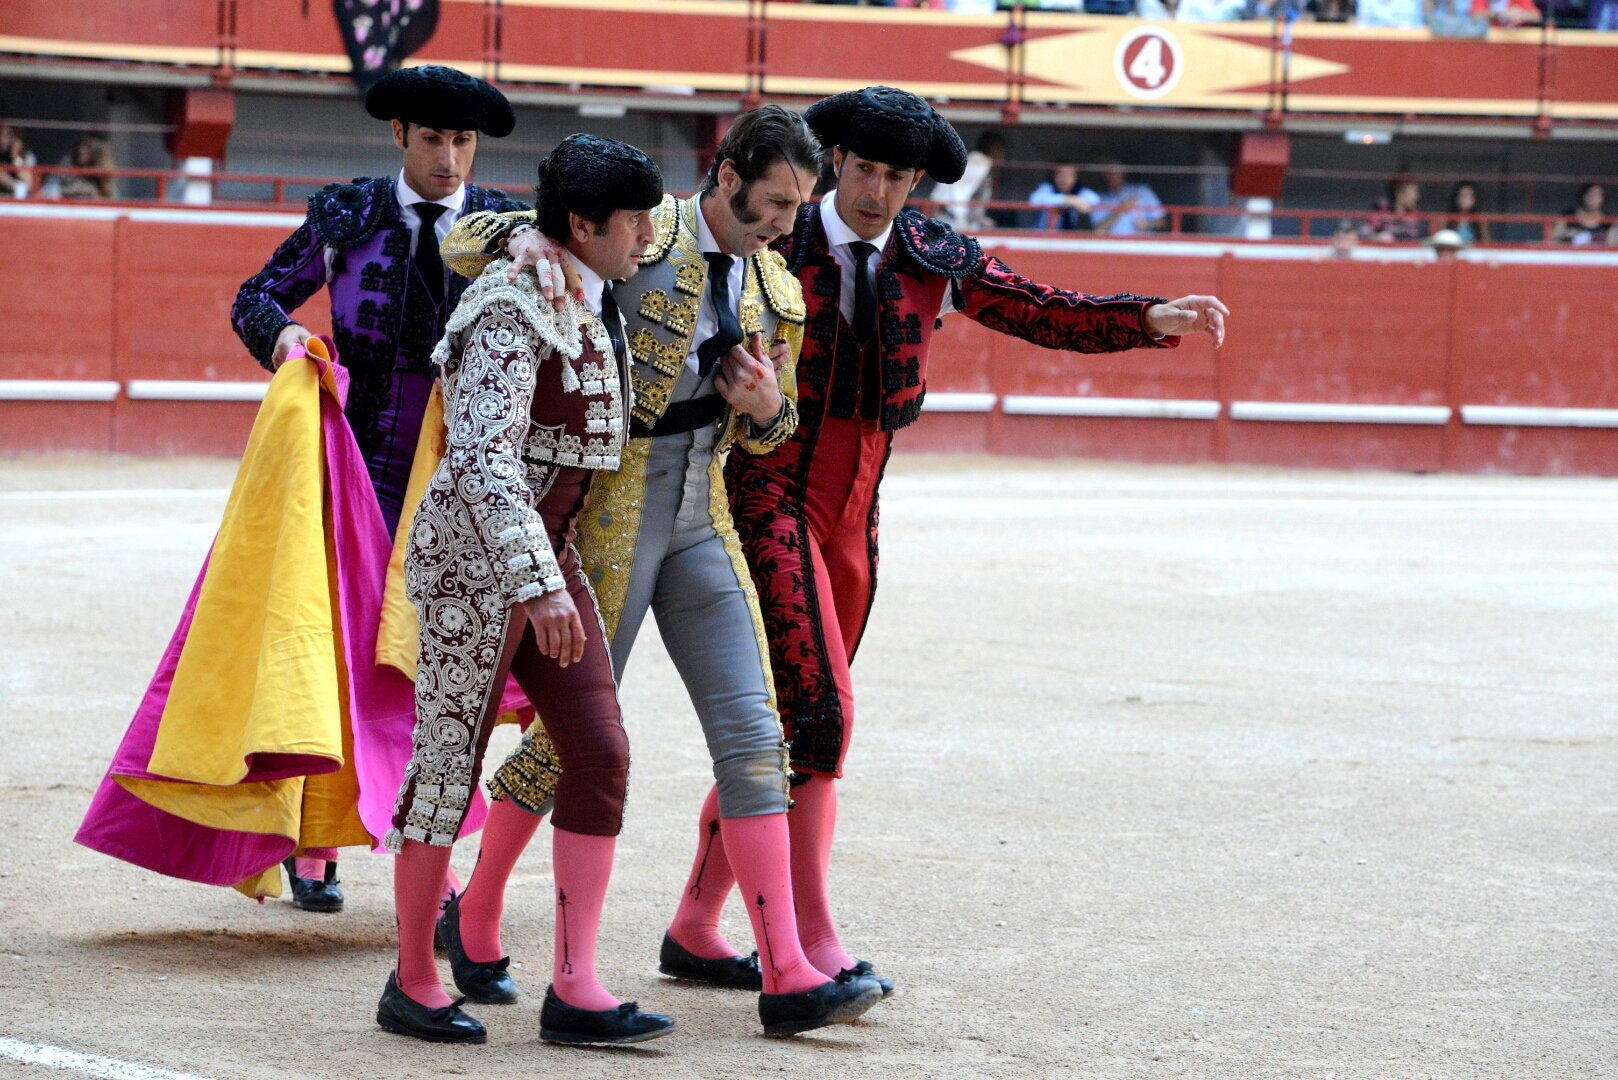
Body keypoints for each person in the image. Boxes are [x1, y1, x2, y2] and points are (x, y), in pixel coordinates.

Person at [491, 84, 1227, 1001]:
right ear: (837, 162)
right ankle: (807, 938)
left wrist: (1147, 319)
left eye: (900, 176)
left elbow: (1038, 307)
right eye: (867, 169)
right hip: (763, 492)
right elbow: (614, 240)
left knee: (794, 720)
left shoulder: (931, 253)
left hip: (856, 510)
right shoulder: (770, 229)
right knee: (812, 712)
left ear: (919, 182)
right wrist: (519, 234)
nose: (879, 191)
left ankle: (697, 922)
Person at [437, 105, 886, 1038]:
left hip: (700, 511)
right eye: (773, 201)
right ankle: (476, 915)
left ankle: (790, 970)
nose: (785, 224)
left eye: (798, 207)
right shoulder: (637, 228)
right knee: (573, 740)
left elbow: (779, 425)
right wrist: (537, 234)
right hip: (607, 514)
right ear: (725, 178)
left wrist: (766, 411)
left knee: (756, 729)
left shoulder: (778, 290)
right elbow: (465, 244)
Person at [378, 134, 676, 1047]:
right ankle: (413, 978)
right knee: (446, 765)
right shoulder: (511, 305)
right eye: (631, 222)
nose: (648, 238)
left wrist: (548, 578)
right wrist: (536, 583)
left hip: (548, 557)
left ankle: (576, 987)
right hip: (478, 566)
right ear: (584, 224)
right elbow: (480, 458)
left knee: (598, 749)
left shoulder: (581, 287)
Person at [229, 64, 527, 911]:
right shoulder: (348, 215)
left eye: (463, 141)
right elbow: (257, 298)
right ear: (399, 135)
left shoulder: (506, 228)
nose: (450, 157)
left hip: (458, 472)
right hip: (352, 469)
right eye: (433, 138)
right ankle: (318, 833)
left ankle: (430, 849)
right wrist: (288, 338)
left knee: (437, 662)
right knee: (339, 648)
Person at [928, 130, 1005, 230]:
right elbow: (958, 189)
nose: (1002, 154)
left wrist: (979, 219)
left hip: (947, 212)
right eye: (1000, 149)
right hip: (948, 214)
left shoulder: (977, 160)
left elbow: (976, 199)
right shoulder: (979, 162)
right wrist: (960, 218)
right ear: (993, 147)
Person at [1089, 159, 1166, 235]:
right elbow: (1097, 230)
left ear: (1123, 172)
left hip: (1142, 244)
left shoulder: (1142, 191)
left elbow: (1161, 222)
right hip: (1113, 245)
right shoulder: (1099, 198)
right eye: (1108, 173)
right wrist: (1120, 211)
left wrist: (1147, 225)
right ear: (1103, 175)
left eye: (1115, 171)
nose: (1113, 175)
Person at [1028, 162, 1099, 231]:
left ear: (1075, 177)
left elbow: (1094, 199)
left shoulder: (1081, 191)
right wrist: (1067, 200)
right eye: (1060, 174)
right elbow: (1034, 199)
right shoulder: (1047, 187)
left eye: (1069, 175)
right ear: (1054, 176)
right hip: (1044, 237)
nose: (1064, 178)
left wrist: (1075, 201)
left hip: (1072, 239)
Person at [1551, 183, 1616, 246]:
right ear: (1583, 196)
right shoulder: (1567, 215)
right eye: (1590, 195)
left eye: (1597, 195)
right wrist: (1568, 238)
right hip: (1569, 254)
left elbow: (1612, 245)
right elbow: (1553, 240)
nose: (1593, 199)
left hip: (1597, 255)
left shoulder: (1609, 220)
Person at [1364, 176, 1425, 242]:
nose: (1416, 197)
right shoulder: (1381, 208)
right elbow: (1364, 233)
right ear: (1399, 194)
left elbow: (1423, 239)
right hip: (1384, 251)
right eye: (1413, 193)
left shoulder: (1416, 215)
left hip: (1409, 250)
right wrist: (1378, 237)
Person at [1444, 181, 1490, 245]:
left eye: (1470, 196)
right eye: (1463, 196)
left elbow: (1486, 243)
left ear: (1475, 199)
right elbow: (1441, 241)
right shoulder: (1446, 219)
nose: (1466, 199)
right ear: (1456, 198)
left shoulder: (1480, 220)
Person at [0, 123, 37, 198]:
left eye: (8, 136)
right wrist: (14, 185)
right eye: (1, 135)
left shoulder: (25, 155)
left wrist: (15, 156)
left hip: (17, 199)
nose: (3, 140)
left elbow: (29, 184)